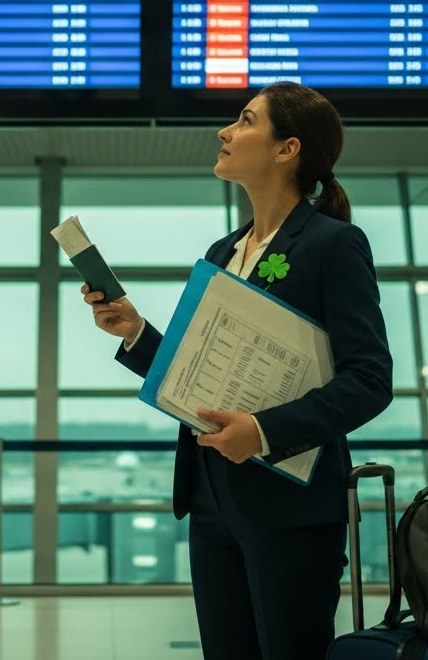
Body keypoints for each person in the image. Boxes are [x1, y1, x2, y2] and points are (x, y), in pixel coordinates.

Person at [81, 81, 393, 659]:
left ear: (286, 149)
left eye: (245, 121)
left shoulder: (333, 244)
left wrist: (264, 430)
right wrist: (136, 332)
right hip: (212, 499)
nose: (225, 132)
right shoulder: (223, 251)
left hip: (290, 507)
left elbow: (370, 379)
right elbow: (194, 376)